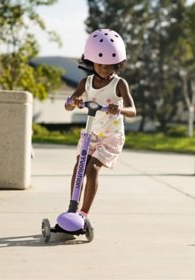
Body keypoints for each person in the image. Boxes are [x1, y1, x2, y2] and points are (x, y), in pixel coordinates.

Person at [65, 28, 136, 218]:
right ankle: (72, 208)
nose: (104, 69)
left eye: (109, 65)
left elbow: (133, 111)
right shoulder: (85, 83)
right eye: (100, 64)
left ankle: (83, 214)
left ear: (117, 64)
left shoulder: (119, 84)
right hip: (91, 135)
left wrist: (118, 109)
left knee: (92, 169)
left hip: (111, 138)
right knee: (79, 166)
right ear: (91, 61)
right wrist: (75, 102)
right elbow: (68, 105)